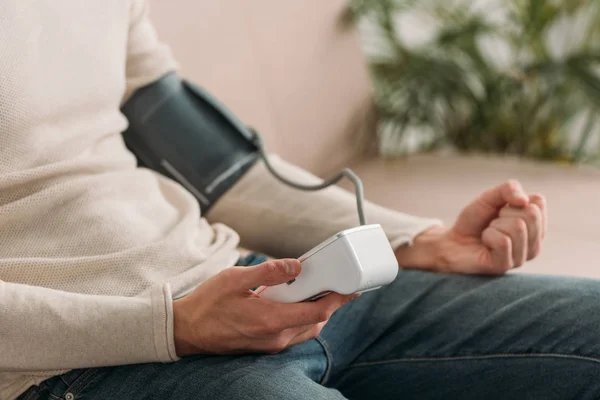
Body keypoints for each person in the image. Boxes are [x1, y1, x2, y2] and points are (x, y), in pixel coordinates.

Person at [1, 1, 598, 399]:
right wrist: (174, 326)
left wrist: (422, 242)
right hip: (85, 360)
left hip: (246, 292)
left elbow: (221, 172)